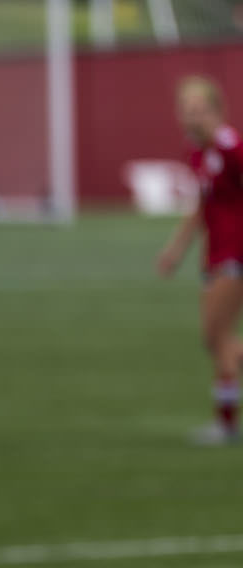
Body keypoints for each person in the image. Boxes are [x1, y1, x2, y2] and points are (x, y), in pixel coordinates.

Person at [157, 77, 243, 446]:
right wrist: (177, 248)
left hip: (235, 252)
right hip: (216, 252)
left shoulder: (229, 146)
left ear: (217, 109)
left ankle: (225, 425)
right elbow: (201, 207)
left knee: (217, 336)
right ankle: (224, 423)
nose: (192, 115)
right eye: (187, 108)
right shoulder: (199, 152)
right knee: (214, 339)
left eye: (200, 108)